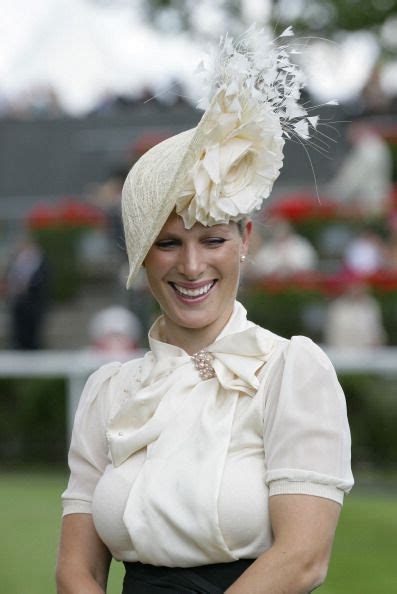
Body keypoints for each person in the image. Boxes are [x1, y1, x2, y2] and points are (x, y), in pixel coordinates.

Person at [56, 27, 353, 594]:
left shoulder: (292, 373)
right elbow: (76, 570)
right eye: (168, 244)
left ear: (246, 240)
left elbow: (302, 559)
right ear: (142, 258)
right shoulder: (107, 392)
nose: (192, 267)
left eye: (212, 240)